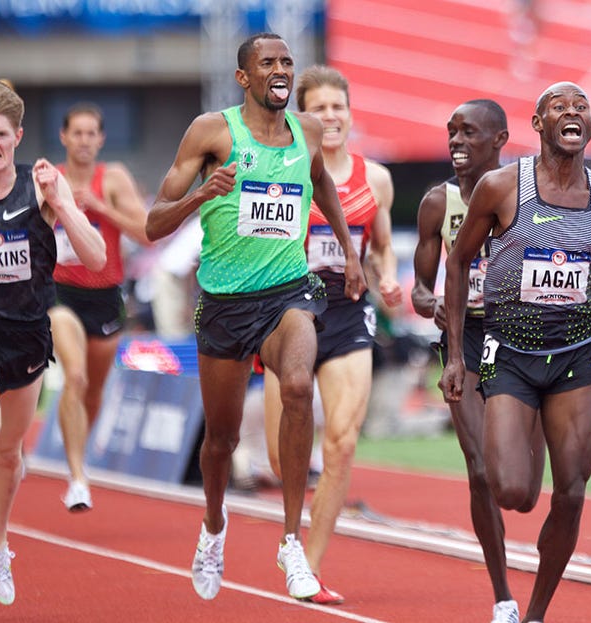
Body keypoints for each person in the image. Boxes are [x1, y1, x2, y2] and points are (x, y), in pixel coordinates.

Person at [143, 33, 366, 602]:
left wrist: (349, 250)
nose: (281, 70)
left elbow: (322, 186)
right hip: (224, 303)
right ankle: (214, 525)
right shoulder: (212, 132)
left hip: (289, 292)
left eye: (287, 62)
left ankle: (291, 541)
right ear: (244, 77)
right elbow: (153, 223)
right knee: (219, 438)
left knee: (297, 385)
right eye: (268, 63)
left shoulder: (307, 132)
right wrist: (201, 195)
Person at [440, 82, 591, 623]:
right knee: (512, 491)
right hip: (505, 352)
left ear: (590, 127)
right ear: (538, 124)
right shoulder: (502, 187)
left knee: (573, 492)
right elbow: (460, 264)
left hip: (575, 353)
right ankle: (528, 420)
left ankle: (533, 614)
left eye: (581, 107)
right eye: (559, 107)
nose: (572, 113)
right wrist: (455, 357)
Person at [255, 64, 402, 605]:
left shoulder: (376, 178)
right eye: (319, 108)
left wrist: (386, 274)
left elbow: (380, 242)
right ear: (302, 117)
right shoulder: (282, 169)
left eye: (338, 107)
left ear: (350, 113)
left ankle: (307, 567)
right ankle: (294, 535)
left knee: (341, 439)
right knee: (280, 457)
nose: (331, 117)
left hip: (347, 311)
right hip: (286, 310)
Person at [0, 80, 106, 605]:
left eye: (1, 134)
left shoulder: (41, 189)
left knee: (8, 452)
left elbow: (93, 259)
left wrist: (63, 202)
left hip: (26, 336)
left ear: (18, 136)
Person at [413, 99, 544, 623]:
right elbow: (422, 287)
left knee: (523, 489)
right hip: (463, 340)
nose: (456, 142)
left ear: (500, 139)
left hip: (519, 338)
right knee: (481, 469)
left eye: (469, 133)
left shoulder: (527, 194)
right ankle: (503, 595)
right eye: (451, 133)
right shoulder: (436, 203)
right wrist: (430, 302)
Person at [50, 102, 151, 512]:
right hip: (60, 294)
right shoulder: (50, 179)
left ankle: (78, 450)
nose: (85, 140)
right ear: (64, 137)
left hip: (106, 296)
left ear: (101, 139)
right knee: (73, 376)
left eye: (92, 133)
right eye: (77, 133)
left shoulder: (113, 178)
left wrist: (98, 205)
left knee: (92, 391)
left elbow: (147, 234)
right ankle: (77, 478)